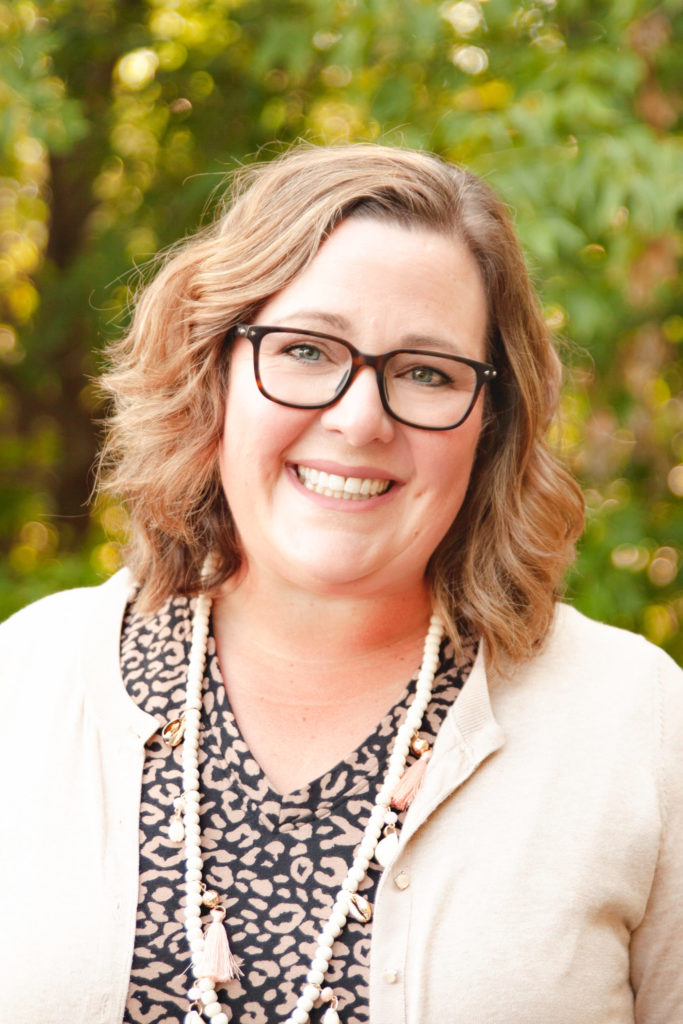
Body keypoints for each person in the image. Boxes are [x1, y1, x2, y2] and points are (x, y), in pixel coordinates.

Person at [1, 144, 681, 1024]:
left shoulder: (637, 727)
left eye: (425, 372)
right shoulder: (23, 685)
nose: (359, 419)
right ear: (215, 370)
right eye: (305, 350)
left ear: (490, 420)